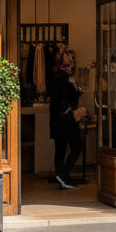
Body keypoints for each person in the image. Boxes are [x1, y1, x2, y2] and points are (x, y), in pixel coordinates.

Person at [49, 54, 86, 190]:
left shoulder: (55, 78)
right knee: (77, 146)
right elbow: (74, 96)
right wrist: (74, 85)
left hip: (56, 120)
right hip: (66, 119)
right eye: (66, 65)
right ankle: (63, 175)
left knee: (60, 149)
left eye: (71, 64)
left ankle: (61, 176)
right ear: (59, 66)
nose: (70, 67)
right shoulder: (66, 80)